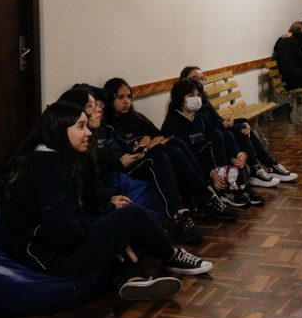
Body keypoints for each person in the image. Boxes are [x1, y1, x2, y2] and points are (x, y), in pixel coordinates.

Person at [0, 102, 212, 302]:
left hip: (57, 245)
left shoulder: (52, 160)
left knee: (129, 221)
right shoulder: (49, 171)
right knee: (133, 215)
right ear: (59, 130)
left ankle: (132, 277)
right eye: (81, 126)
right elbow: (66, 234)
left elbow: (74, 214)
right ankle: (172, 255)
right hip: (50, 257)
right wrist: (109, 234)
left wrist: (110, 231)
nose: (89, 132)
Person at [57, 86, 204, 244]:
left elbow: (140, 139)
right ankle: (185, 209)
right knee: (158, 158)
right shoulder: (81, 141)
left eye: (99, 105)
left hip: (127, 164)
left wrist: (136, 149)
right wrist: (119, 164)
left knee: (171, 146)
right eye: (91, 106)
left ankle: (200, 198)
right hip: (116, 174)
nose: (98, 110)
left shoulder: (108, 128)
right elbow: (93, 179)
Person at [102, 78, 240, 218]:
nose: (126, 101)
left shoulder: (136, 117)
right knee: (165, 154)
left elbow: (158, 134)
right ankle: (201, 199)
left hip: (145, 154)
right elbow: (115, 154)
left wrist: (146, 141)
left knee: (176, 144)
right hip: (130, 163)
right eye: (120, 97)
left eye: (129, 97)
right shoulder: (106, 125)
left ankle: (207, 195)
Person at [180, 66, 298, 184]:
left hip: (217, 131)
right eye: (195, 78)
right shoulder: (187, 103)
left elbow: (217, 119)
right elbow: (203, 130)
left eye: (202, 79)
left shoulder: (201, 98)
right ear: (183, 80)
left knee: (243, 126)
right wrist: (223, 125)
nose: (199, 82)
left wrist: (241, 121)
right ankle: (256, 169)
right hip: (209, 140)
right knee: (240, 130)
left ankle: (270, 165)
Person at [161, 79, 265, 208]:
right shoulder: (172, 123)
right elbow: (187, 156)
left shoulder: (200, 117)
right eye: (191, 95)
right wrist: (211, 171)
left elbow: (220, 138)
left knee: (226, 135)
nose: (196, 98)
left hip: (212, 157)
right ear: (179, 97)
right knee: (217, 135)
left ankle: (241, 186)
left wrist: (241, 153)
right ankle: (225, 189)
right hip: (197, 165)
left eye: (198, 95)